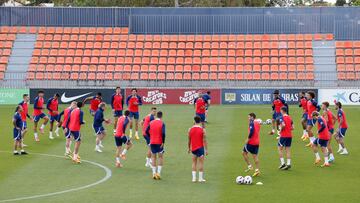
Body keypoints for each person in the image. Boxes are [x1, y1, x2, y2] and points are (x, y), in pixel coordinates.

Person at [146, 111, 166, 180]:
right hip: (159, 142)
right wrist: (163, 142)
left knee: (153, 157)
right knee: (160, 157)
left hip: (152, 142)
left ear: (156, 116)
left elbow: (146, 131)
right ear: (161, 116)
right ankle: (158, 173)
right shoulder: (162, 123)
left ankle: (154, 173)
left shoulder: (151, 122)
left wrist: (150, 137)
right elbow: (163, 133)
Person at [188, 116, 208, 183]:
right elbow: (204, 140)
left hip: (193, 148)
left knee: (194, 162)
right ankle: (200, 178)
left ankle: (193, 178)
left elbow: (189, 140)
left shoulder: (190, 129)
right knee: (201, 163)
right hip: (200, 148)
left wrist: (188, 148)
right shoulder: (203, 130)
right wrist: (206, 149)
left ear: (194, 121)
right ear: (200, 121)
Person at [242, 113, 261, 177]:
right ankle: (257, 170)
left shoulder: (251, 123)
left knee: (244, 153)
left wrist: (248, 139)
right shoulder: (258, 123)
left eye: (249, 117)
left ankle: (250, 166)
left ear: (252, 117)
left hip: (251, 142)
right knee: (255, 156)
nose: (248, 118)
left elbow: (252, 131)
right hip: (257, 142)